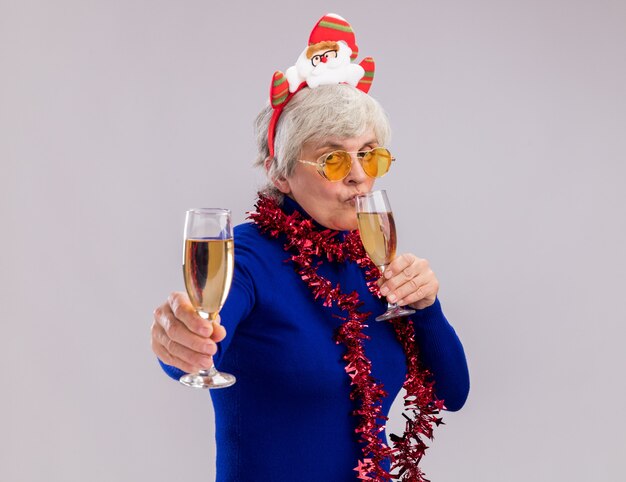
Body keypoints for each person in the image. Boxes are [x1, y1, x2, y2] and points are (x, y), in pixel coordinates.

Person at [151, 13, 469, 482]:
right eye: (332, 158)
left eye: (370, 153)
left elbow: (452, 393)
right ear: (280, 173)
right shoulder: (246, 258)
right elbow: (197, 347)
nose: (359, 175)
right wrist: (178, 339)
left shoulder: (374, 264)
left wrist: (427, 307)